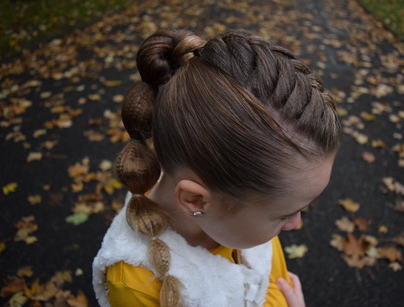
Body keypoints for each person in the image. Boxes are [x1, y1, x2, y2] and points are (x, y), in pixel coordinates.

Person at [92, 29, 340, 307]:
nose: (296, 223)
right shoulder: (137, 286)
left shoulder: (238, 213)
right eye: (285, 214)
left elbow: (270, 282)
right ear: (196, 201)